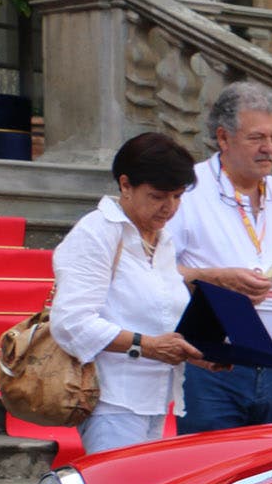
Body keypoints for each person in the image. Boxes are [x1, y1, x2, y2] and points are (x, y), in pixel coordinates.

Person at [49, 132, 215, 457]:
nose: (169, 208)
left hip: (156, 398)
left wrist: (199, 353)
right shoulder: (97, 232)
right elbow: (70, 323)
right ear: (125, 185)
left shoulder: (161, 239)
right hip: (112, 399)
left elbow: (162, 315)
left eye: (178, 197)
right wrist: (148, 345)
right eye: (157, 196)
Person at [171, 81, 272, 433]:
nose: (269, 149)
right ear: (223, 138)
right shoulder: (188, 190)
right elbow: (155, 270)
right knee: (209, 473)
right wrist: (216, 278)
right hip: (213, 367)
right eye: (257, 138)